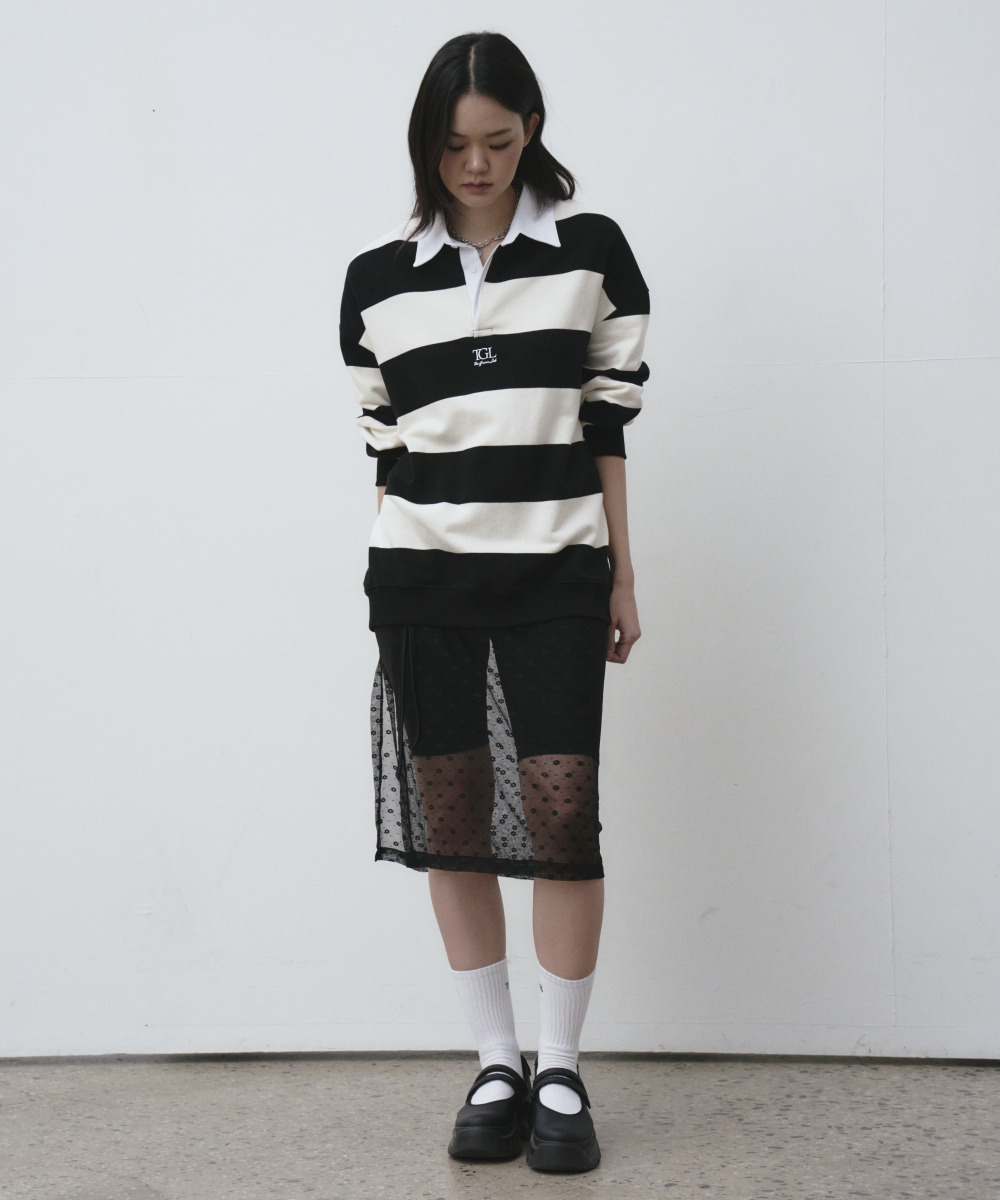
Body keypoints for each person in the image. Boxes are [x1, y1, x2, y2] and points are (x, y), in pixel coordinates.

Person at [339, 30, 649, 1174]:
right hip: (422, 580)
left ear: (532, 133)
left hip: (556, 571)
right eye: (453, 145)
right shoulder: (375, 280)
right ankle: (494, 1061)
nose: (475, 165)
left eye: (498, 141)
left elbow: (606, 422)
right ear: (425, 145)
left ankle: (560, 1067)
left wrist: (622, 573)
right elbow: (385, 447)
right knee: (452, 819)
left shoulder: (590, 253)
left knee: (562, 816)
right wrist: (393, 558)